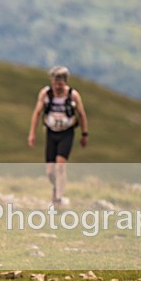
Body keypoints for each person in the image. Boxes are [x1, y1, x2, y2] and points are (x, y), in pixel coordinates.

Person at [28, 65, 89, 206]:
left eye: (60, 84)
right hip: (51, 133)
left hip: (66, 133)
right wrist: (32, 133)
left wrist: (84, 134)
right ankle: (56, 189)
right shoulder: (45, 94)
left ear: (65, 82)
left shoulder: (73, 95)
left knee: (60, 166)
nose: (57, 86)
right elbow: (37, 113)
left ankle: (59, 198)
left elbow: (82, 114)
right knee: (50, 171)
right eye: (55, 83)